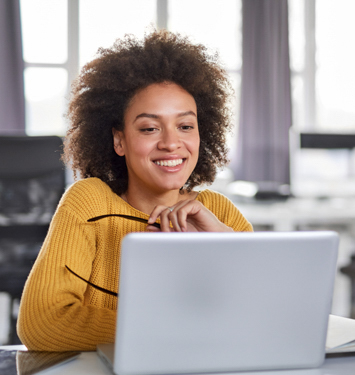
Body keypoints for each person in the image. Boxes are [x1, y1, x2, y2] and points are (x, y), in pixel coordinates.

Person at [17, 30, 253, 351]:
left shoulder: (219, 213)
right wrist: (178, 330)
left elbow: (262, 320)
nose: (171, 143)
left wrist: (227, 247)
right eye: (149, 128)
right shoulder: (88, 203)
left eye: (185, 126)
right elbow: (43, 322)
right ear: (119, 140)